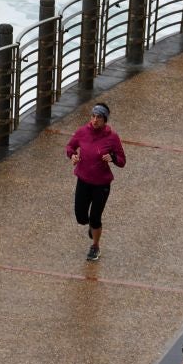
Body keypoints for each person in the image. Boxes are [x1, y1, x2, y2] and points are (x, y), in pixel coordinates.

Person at [65, 102, 126, 262]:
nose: (95, 120)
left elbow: (122, 161)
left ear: (105, 119)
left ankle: (95, 246)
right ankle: (91, 227)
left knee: (95, 218)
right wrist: (72, 155)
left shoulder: (112, 137)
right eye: (93, 116)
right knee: (81, 218)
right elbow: (70, 147)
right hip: (83, 181)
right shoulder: (82, 132)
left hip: (102, 184)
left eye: (99, 117)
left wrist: (112, 158)